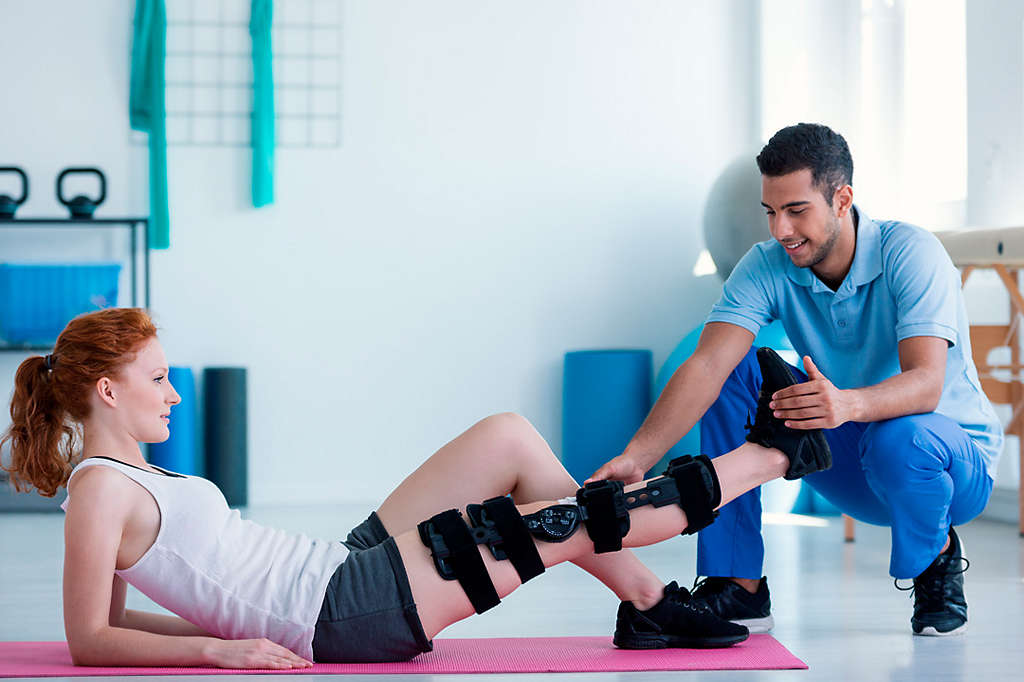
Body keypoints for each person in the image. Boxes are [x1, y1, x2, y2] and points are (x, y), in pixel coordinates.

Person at [2, 307, 832, 667]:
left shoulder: (133, 474)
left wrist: (206, 628)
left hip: (334, 568)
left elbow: (130, 614)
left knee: (506, 436)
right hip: (340, 615)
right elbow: (93, 639)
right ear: (107, 392)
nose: (174, 393)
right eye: (157, 379)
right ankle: (774, 454)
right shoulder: (101, 489)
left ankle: (648, 606)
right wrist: (219, 647)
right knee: (569, 521)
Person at [589, 122, 1002, 637]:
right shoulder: (766, 265)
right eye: (770, 212)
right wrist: (638, 457)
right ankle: (737, 583)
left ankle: (936, 557)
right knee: (737, 371)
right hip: (850, 457)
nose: (780, 230)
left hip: (946, 464)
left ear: (842, 198)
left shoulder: (910, 253)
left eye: (796, 210)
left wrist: (845, 404)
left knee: (904, 433)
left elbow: (926, 385)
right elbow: (706, 366)